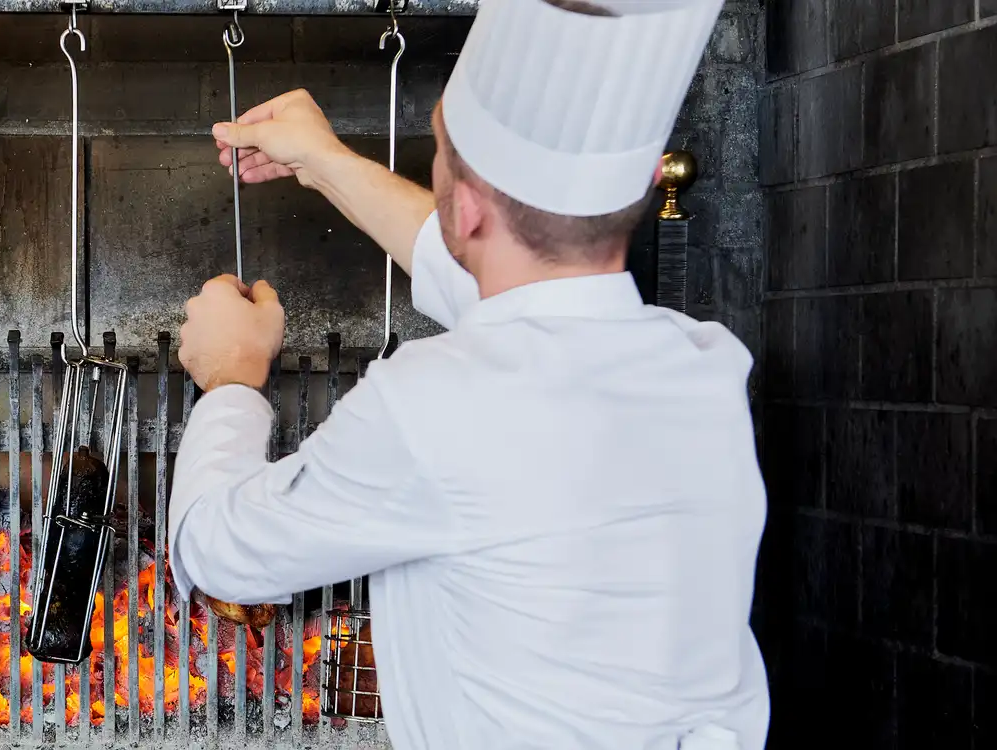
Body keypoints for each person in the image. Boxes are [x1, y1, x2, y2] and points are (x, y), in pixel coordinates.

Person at [164, 0, 771, 748]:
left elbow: (218, 551)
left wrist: (231, 376)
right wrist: (325, 163)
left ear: (474, 209)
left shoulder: (436, 405)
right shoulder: (700, 368)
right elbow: (493, 282)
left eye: (438, 144)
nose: (435, 154)